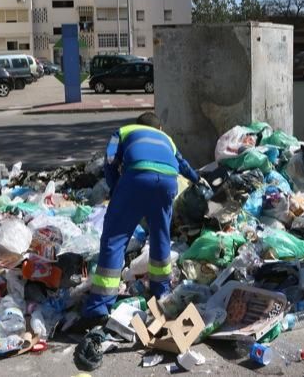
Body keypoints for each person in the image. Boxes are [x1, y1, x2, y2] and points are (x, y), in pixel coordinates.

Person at [78, 112, 207, 330]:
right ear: (160, 129)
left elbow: (110, 160)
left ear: (139, 126)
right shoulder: (168, 140)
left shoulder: (123, 131)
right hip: (168, 182)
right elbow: (183, 165)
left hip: (137, 176)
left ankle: (99, 308)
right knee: (160, 235)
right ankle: (161, 291)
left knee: (115, 238)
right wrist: (198, 179)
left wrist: (116, 187)